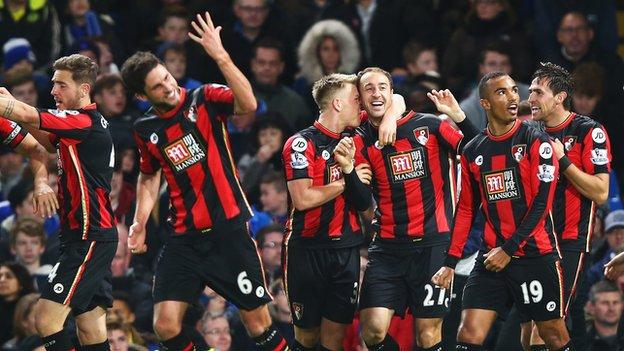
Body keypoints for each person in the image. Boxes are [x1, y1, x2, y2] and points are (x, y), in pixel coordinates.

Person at [121, 12, 290, 351]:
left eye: (166, 77)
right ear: (142, 96)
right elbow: (149, 175)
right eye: (157, 86)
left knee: (258, 324)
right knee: (165, 325)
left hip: (229, 232)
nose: (168, 86)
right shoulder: (145, 129)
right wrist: (139, 220)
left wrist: (221, 56)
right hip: (184, 238)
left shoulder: (205, 98)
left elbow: (248, 104)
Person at [332, 67, 479, 351]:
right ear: (361, 99)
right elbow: (363, 202)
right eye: (369, 88)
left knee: (427, 335)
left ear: (391, 92)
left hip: (433, 246)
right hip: (387, 248)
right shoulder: (359, 140)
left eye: (383, 87)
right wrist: (349, 170)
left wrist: (459, 117)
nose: (377, 93)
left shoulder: (431, 126)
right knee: (372, 331)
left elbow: (478, 152)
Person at [432, 71, 572, 351]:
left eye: (512, 90)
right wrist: (450, 261)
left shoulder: (537, 142)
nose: (512, 97)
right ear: (484, 104)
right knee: (468, 333)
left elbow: (540, 206)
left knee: (553, 335)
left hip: (534, 255)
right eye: (501, 92)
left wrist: (509, 249)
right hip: (490, 260)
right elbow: (465, 210)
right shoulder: (474, 150)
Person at [0, 53, 118, 351]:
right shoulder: (74, 128)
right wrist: (11, 109)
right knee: (90, 326)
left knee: (46, 319)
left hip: (90, 236)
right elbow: (41, 139)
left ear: (84, 89)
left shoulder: (84, 123)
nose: (53, 91)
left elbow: (29, 117)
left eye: (61, 85)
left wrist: (12, 106)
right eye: (53, 84)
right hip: (82, 235)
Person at [281, 73, 375, 351]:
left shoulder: (357, 141)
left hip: (346, 249)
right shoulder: (301, 144)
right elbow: (303, 198)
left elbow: (364, 205)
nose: (362, 105)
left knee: (334, 341)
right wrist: (347, 180)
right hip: (306, 250)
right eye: (355, 99)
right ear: (336, 104)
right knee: (307, 339)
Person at [523, 61, 612, 350]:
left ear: (560, 97)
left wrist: (564, 161)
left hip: (569, 241)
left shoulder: (589, 131)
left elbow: (600, 192)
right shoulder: (528, 133)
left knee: (546, 327)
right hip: (531, 243)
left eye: (538, 92)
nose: (530, 98)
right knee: (529, 334)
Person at [585, 280, 624, 351]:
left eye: (615, 303)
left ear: (622, 306)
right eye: (605, 303)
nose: (611, 308)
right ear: (591, 307)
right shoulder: (580, 343)